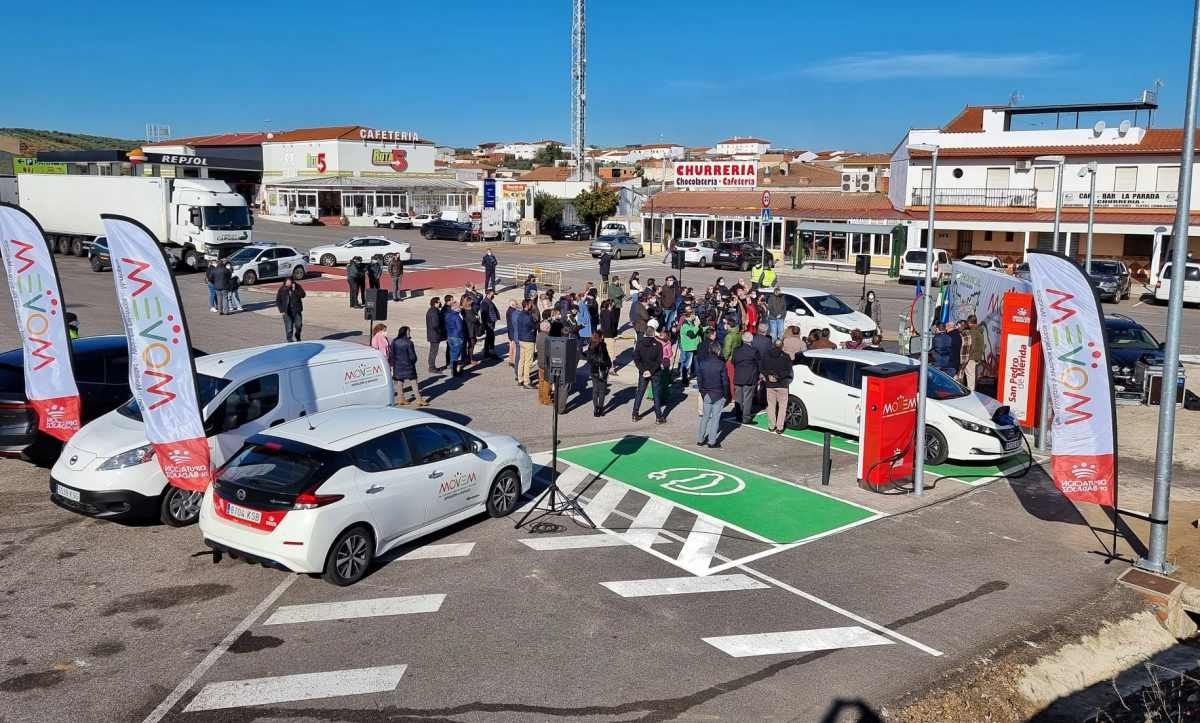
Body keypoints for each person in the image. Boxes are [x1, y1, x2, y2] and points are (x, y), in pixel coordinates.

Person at [696, 342, 728, 448]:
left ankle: (700, 439)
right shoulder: (720, 364)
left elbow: (699, 380)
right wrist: (726, 394)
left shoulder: (702, 363)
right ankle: (712, 441)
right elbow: (724, 381)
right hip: (718, 393)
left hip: (706, 393)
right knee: (715, 418)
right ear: (718, 351)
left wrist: (702, 392)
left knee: (705, 417)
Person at [632, 323, 665, 424]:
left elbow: (636, 359)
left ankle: (635, 414)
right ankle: (658, 417)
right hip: (654, 372)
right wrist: (650, 371)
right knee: (656, 394)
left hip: (643, 372)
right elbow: (659, 361)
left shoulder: (639, 344)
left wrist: (643, 370)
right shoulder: (658, 345)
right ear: (654, 333)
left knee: (640, 392)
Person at [761, 338, 794, 434]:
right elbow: (788, 371)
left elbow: (762, 368)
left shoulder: (766, 355)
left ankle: (772, 425)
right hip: (782, 384)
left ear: (773, 345)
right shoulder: (786, 356)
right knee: (782, 406)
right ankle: (780, 427)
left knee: (771, 405)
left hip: (770, 384)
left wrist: (769, 376)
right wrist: (778, 377)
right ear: (782, 346)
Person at [390, 326, 428, 406]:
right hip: (408, 366)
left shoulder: (394, 341)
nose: (409, 333)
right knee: (414, 382)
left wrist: (393, 364)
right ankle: (419, 399)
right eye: (409, 332)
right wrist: (413, 362)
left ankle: (401, 399)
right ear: (406, 332)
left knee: (400, 382)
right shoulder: (409, 343)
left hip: (398, 365)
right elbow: (413, 356)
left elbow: (392, 354)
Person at [732, 332, 760, 424]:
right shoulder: (754, 351)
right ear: (751, 340)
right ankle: (746, 418)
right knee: (747, 399)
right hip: (749, 377)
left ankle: (738, 416)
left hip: (738, 376)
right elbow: (758, 363)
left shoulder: (736, 350)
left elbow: (733, 362)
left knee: (738, 398)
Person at [585, 331, 612, 416]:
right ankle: (600, 409)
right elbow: (606, 359)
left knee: (595, 390)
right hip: (602, 371)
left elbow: (588, 359)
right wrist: (609, 364)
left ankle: (595, 409)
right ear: (600, 337)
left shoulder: (590, 345)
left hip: (593, 370)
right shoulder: (602, 346)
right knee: (602, 391)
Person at [275, 277, 306, 342]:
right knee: (289, 328)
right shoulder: (282, 289)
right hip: (287, 312)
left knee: (299, 326)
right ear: (285, 283)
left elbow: (303, 295)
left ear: (292, 283)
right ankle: (290, 341)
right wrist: (282, 310)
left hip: (296, 311)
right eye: (287, 284)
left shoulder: (297, 287)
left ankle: (297, 336)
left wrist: (295, 290)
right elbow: (278, 300)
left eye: (290, 283)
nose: (288, 285)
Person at [515, 300, 538, 389]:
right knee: (528, 361)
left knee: (522, 360)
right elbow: (534, 326)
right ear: (528, 306)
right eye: (531, 304)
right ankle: (526, 381)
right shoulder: (529, 317)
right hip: (528, 340)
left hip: (521, 339)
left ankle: (520, 379)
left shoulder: (520, 314)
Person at [677, 309, 701, 386]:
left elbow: (697, 331)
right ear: (690, 315)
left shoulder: (691, 323)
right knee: (687, 364)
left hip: (693, 347)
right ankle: (684, 379)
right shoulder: (685, 325)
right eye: (694, 315)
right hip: (688, 347)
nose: (695, 316)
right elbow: (691, 334)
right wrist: (697, 325)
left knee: (689, 363)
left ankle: (687, 377)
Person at [444, 300, 466, 377]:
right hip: (457, 336)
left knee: (452, 353)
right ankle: (455, 372)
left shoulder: (447, 315)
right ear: (456, 308)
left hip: (450, 335)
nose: (460, 307)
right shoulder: (457, 317)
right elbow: (460, 328)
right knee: (456, 354)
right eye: (459, 306)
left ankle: (453, 369)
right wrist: (462, 337)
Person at [425, 297, 445, 374]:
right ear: (435, 303)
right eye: (439, 302)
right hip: (434, 335)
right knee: (433, 351)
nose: (440, 303)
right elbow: (435, 325)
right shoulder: (434, 312)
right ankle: (432, 367)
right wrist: (440, 333)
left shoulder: (433, 310)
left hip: (433, 334)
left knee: (433, 351)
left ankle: (432, 366)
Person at [966, 314, 985, 389]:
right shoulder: (979, 330)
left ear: (970, 322)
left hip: (972, 356)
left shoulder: (973, 331)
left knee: (970, 374)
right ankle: (972, 389)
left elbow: (972, 345)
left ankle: (971, 391)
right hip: (977, 356)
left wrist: (968, 356)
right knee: (972, 374)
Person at [480, 290, 500, 360]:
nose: (493, 296)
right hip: (489, 324)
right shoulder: (485, 303)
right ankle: (492, 353)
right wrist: (486, 324)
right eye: (492, 294)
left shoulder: (488, 301)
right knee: (491, 338)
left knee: (488, 338)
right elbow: (483, 315)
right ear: (488, 294)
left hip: (490, 323)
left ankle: (486, 352)